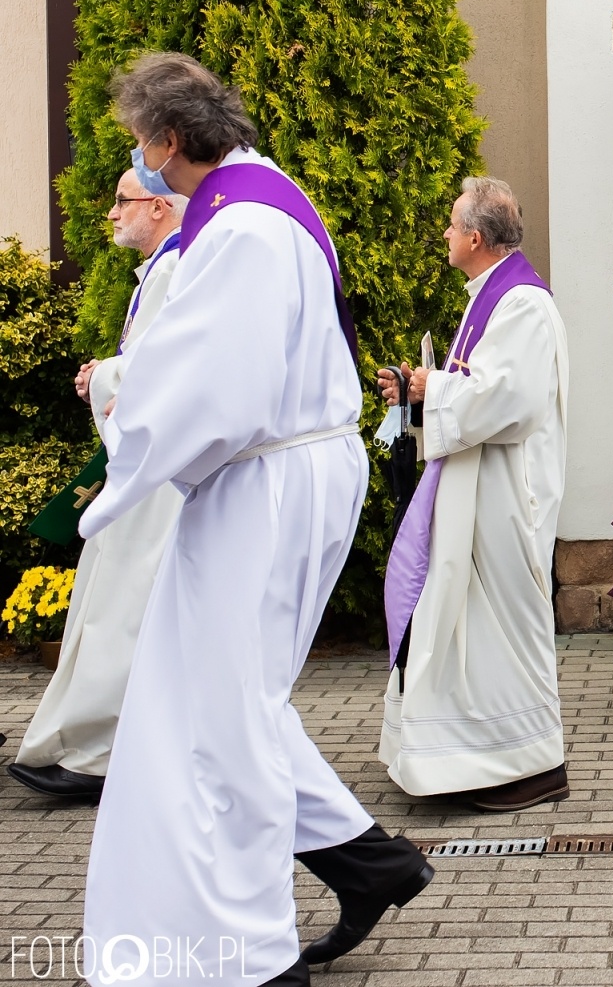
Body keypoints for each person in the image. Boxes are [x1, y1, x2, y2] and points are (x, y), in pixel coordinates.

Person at [77, 52, 429, 987]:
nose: (136, 163)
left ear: (167, 140)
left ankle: (253, 949)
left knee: (221, 718)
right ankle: (360, 869)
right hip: (281, 471)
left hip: (263, 482)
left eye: (138, 146)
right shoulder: (262, 195)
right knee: (218, 702)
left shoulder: (238, 226)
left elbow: (211, 387)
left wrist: (123, 420)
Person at [378, 177, 570, 812]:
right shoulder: (489, 296)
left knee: (509, 629)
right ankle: (472, 757)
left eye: (452, 225)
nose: (445, 234)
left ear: (477, 238)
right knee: (471, 630)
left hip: (507, 493)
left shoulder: (522, 304)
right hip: (477, 487)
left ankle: (536, 764)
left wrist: (431, 389)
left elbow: (511, 400)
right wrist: (420, 391)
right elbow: (478, 385)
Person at [9, 170, 187, 800]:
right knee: (114, 599)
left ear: (158, 207)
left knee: (127, 604)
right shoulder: (160, 270)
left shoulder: (176, 268)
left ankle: (99, 754)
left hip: (157, 472)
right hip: (144, 466)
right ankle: (91, 746)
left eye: (121, 201)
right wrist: (108, 374)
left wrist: (108, 379)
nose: (111, 213)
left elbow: (167, 371)